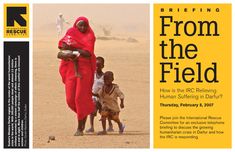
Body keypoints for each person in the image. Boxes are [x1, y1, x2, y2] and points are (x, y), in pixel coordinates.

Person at [57, 16, 96, 136]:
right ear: (76, 25)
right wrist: (66, 49)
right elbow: (62, 45)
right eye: (80, 25)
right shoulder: (71, 32)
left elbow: (87, 53)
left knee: (80, 98)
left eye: (85, 25)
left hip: (84, 70)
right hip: (70, 68)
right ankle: (88, 110)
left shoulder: (90, 36)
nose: (83, 28)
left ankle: (80, 127)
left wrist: (74, 48)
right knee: (70, 100)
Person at [86, 57, 114, 133]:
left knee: (104, 113)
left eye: (99, 65)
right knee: (92, 111)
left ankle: (110, 125)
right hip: (93, 96)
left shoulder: (104, 76)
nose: (97, 67)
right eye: (95, 65)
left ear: (103, 66)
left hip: (102, 98)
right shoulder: (92, 75)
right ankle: (91, 127)